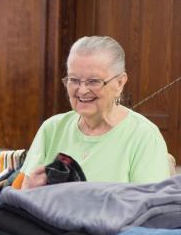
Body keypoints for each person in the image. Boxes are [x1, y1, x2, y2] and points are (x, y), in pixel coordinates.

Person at [21, 35, 170, 189]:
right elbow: (23, 193)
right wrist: (30, 190)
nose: (82, 90)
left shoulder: (143, 136)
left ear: (119, 83)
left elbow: (148, 206)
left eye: (93, 81)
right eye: (74, 80)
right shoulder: (52, 129)